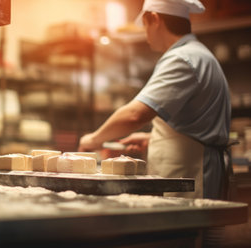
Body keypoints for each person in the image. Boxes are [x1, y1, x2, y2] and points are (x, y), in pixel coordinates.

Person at [78, 0, 231, 200]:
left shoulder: (182, 58)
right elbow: (199, 123)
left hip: (192, 176)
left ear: (155, 19)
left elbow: (135, 115)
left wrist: (93, 139)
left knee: (186, 230)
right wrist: (152, 139)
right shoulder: (197, 54)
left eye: (145, 25)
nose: (145, 33)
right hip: (195, 170)